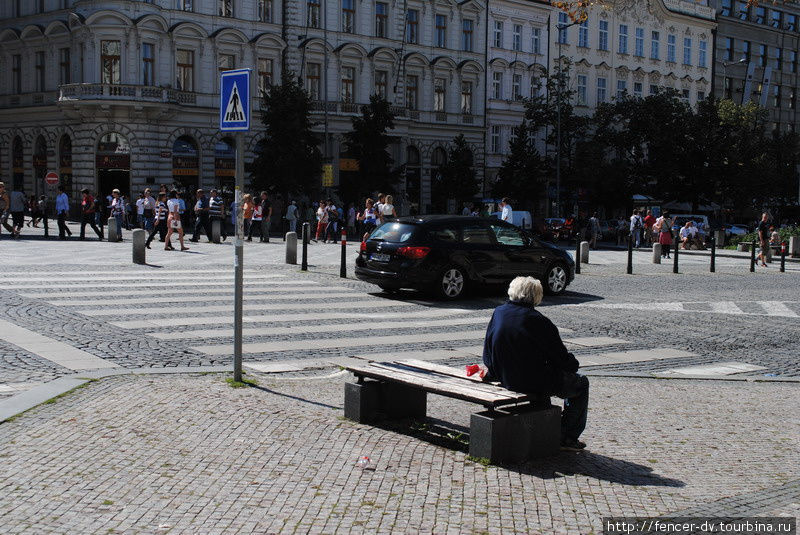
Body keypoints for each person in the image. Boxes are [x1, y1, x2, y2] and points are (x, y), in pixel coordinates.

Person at [482, 276, 589, 451]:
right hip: (531, 380)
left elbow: (488, 349)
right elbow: (561, 358)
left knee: (545, 379)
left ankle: (551, 430)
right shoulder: (538, 321)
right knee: (581, 384)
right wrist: (573, 364)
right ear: (536, 296)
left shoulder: (499, 312)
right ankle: (567, 436)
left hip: (505, 375)